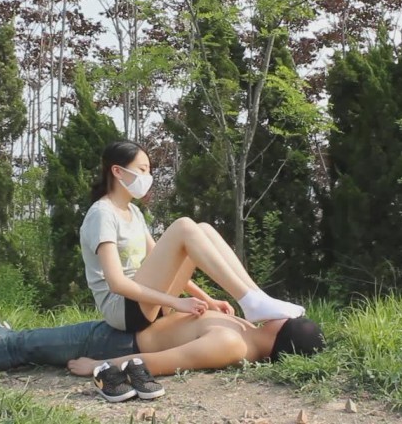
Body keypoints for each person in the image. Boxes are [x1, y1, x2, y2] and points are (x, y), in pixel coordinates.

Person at [80, 140, 305, 333]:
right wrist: (176, 302)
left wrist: (208, 300)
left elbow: (167, 267)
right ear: (118, 171)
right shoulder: (102, 214)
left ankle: (255, 297)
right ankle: (251, 301)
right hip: (123, 310)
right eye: (142, 170)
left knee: (203, 229)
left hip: (147, 302)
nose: (148, 177)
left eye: (149, 171)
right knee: (184, 226)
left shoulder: (134, 212)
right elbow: (117, 284)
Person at [0, 310, 324, 401]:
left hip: (116, 346)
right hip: (120, 331)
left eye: (285, 318)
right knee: (29, 344)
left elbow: (160, 363)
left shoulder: (232, 345)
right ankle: (5, 335)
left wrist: (98, 367)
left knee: (18, 349)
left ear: (280, 333)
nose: (277, 312)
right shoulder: (242, 329)